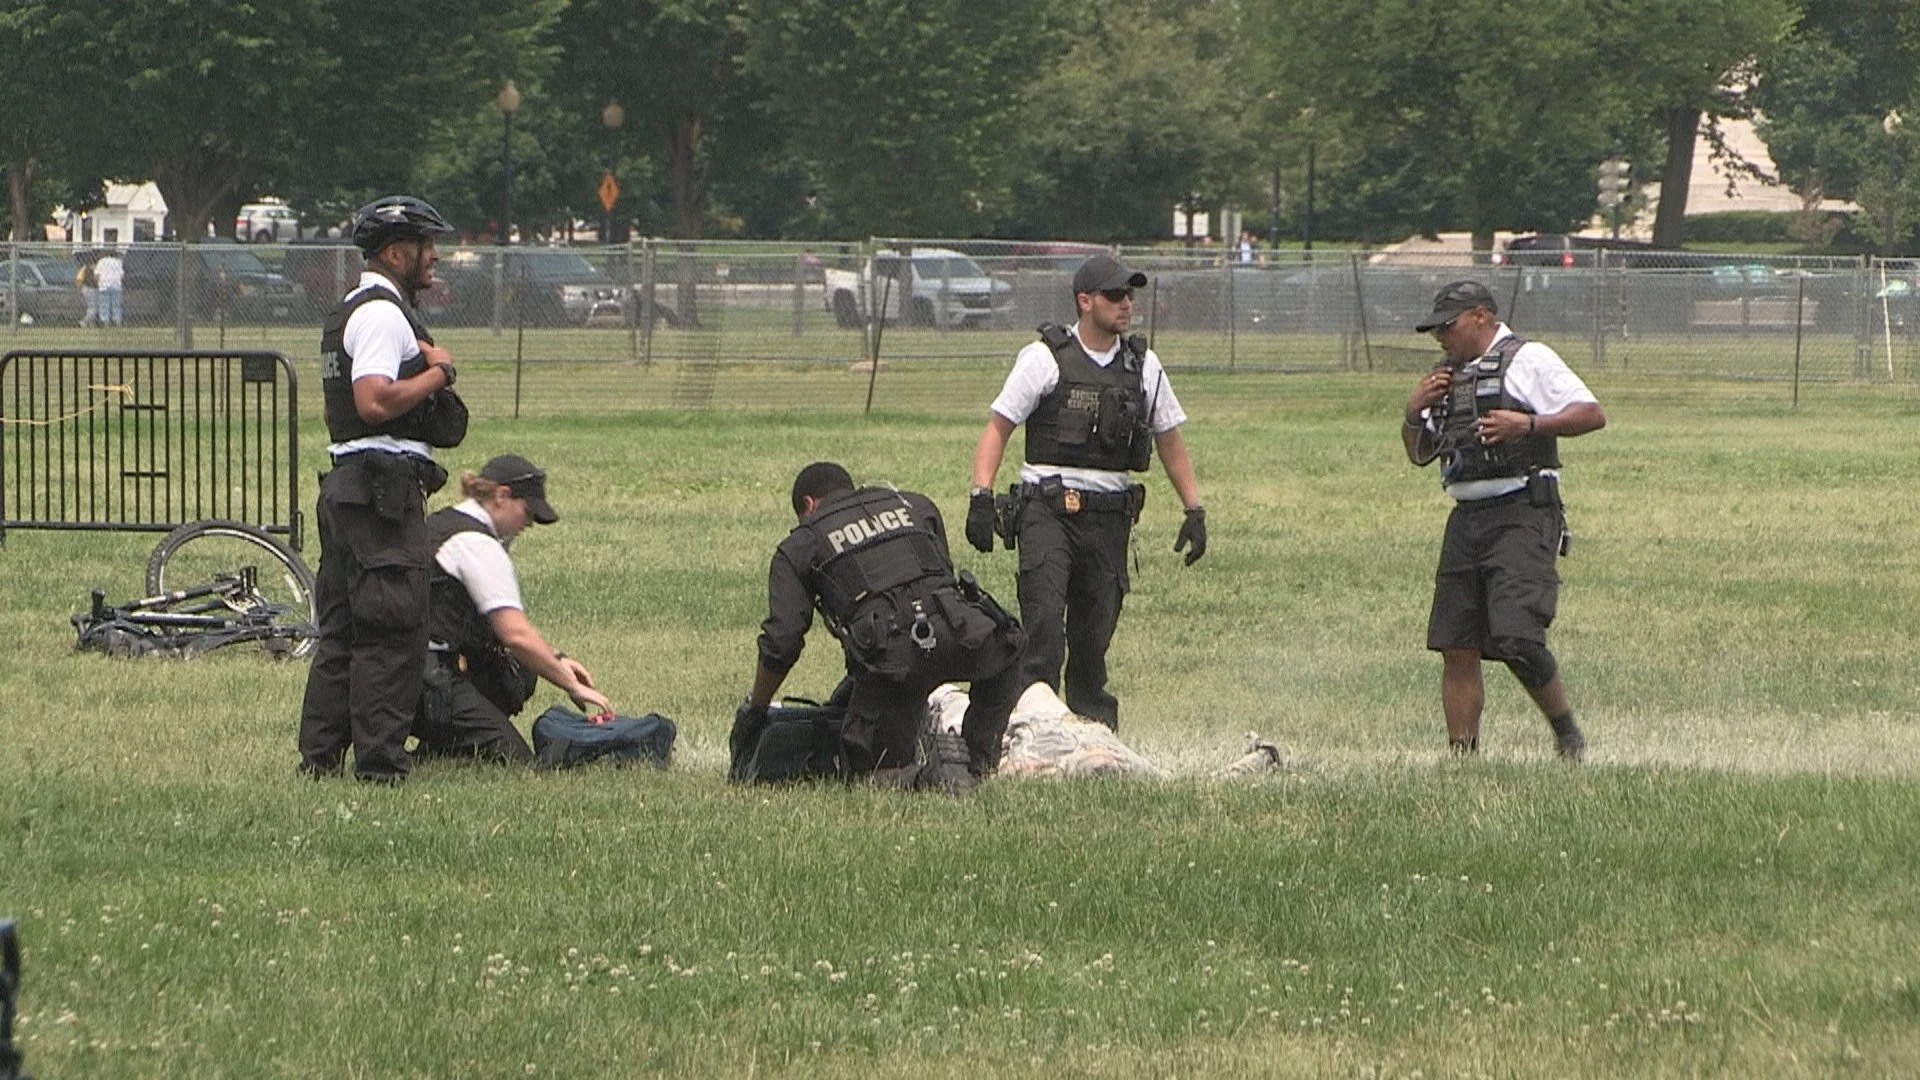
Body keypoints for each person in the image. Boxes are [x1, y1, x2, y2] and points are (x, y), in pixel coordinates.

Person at [965, 253, 1206, 731]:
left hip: (1109, 516)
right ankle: (1029, 729)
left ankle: (1092, 732)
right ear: (1085, 300)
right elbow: (998, 428)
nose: (1126, 304)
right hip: (1046, 511)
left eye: (1130, 295)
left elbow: (1169, 438)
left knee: (1094, 636)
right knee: (1044, 626)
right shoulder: (1044, 358)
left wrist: (1194, 507)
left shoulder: (1144, 365)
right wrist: (980, 495)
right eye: (1115, 295)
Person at [298, 195, 467, 782]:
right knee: (391, 632)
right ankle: (379, 768)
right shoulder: (381, 315)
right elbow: (372, 400)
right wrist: (437, 375)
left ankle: (319, 761)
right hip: (379, 493)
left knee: (342, 632)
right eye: (426, 246)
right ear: (396, 253)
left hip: (351, 488)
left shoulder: (350, 309)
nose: (435, 256)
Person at [1401, 280, 1606, 761]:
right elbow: (1420, 453)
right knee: (1456, 642)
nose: (1441, 338)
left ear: (1480, 316)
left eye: (1447, 326)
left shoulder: (1528, 359)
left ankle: (1566, 733)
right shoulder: (1445, 377)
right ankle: (1462, 759)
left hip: (1522, 511)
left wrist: (1529, 424)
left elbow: (1591, 414)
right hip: (1466, 517)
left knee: (1517, 635)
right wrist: (1413, 411)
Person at [733, 462, 1026, 790]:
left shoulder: (802, 543)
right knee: (1008, 649)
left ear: (809, 505)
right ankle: (975, 761)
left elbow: (782, 642)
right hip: (966, 633)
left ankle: (931, 777)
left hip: (893, 661)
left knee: (868, 774)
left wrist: (756, 707)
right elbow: (940, 579)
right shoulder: (915, 505)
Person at [414, 454, 611, 763]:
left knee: (524, 669)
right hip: (428, 682)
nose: (529, 522)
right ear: (502, 496)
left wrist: (557, 658)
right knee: (514, 761)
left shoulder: (444, 523)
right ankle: (443, 749)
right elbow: (515, 635)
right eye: (527, 511)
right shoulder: (477, 544)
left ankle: (441, 748)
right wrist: (569, 684)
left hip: (395, 673)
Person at [93, 249, 123, 327]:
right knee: (116, 305)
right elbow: (121, 275)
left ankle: (105, 322)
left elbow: (96, 275)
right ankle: (117, 321)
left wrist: (98, 284)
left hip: (104, 285)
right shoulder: (118, 262)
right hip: (116, 285)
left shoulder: (101, 262)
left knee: (104, 304)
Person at [75, 253, 99, 327]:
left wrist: (80, 286)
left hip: (85, 288)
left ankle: (91, 324)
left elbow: (78, 278)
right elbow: (97, 280)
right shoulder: (97, 269)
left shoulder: (85, 267)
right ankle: (83, 322)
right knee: (94, 307)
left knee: (91, 307)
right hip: (92, 289)